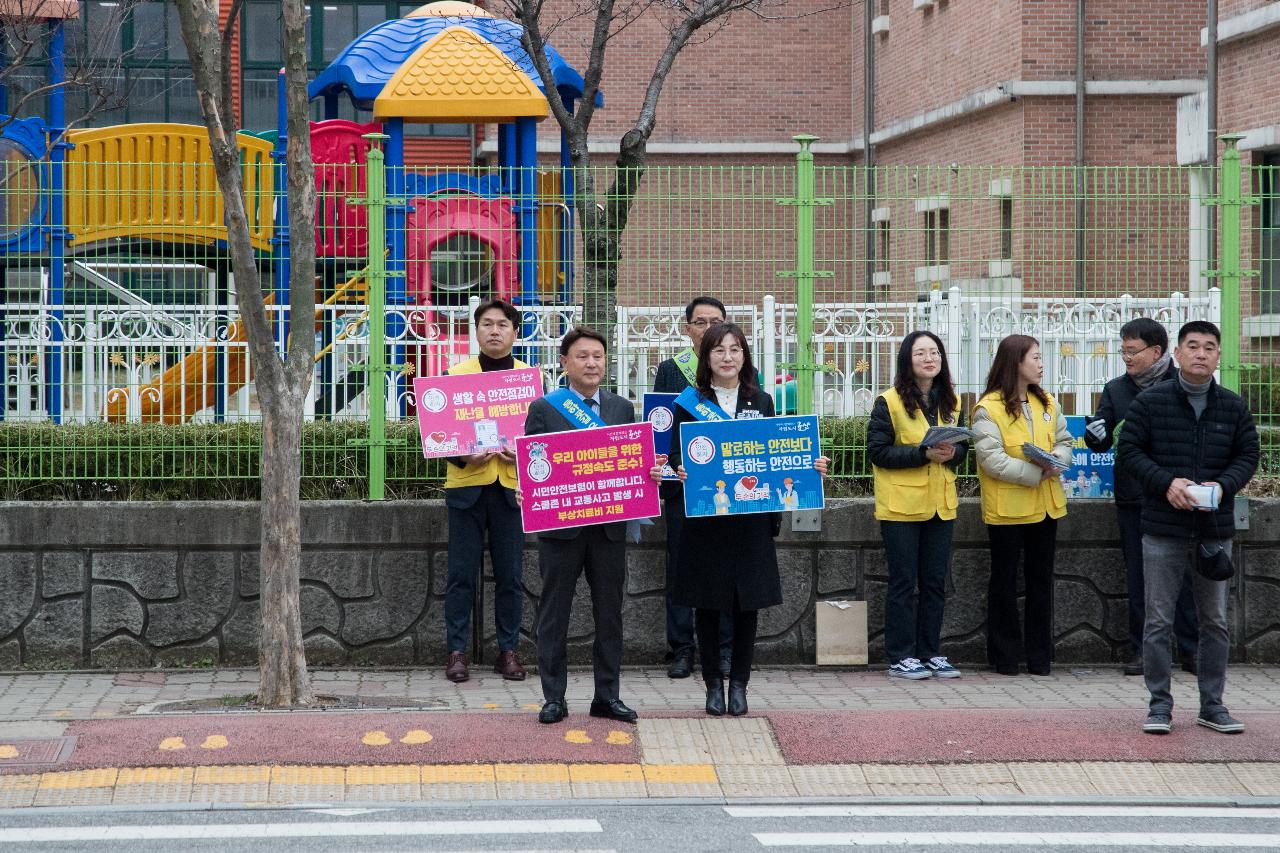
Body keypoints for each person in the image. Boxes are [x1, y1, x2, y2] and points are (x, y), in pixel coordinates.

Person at [669, 323, 829, 716]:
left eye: (735, 349)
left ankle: (739, 684)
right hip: (706, 521)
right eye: (719, 350)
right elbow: (675, 456)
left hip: (751, 520)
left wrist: (810, 467)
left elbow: (779, 454)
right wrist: (679, 469)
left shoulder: (763, 401)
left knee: (746, 606)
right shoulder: (687, 403)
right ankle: (711, 687)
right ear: (706, 358)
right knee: (706, 606)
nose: (728, 357)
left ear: (745, 356)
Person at [1117, 320, 1258, 735]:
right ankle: (1159, 705)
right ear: (1175, 354)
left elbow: (1248, 454)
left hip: (1214, 530)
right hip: (1163, 527)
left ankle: (1212, 704)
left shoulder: (1232, 406)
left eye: (1209, 347)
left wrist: (1224, 485)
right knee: (1158, 620)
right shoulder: (1151, 402)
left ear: (1218, 356)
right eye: (1192, 346)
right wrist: (1167, 483)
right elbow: (1130, 451)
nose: (1200, 353)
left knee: (1214, 620)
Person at [522, 326, 663, 725]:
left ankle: (607, 695)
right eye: (582, 356)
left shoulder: (621, 408)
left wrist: (648, 473)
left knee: (610, 613)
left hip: (609, 529)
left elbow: (633, 463)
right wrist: (528, 490)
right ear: (565, 362)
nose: (591, 363)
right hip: (560, 531)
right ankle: (553, 697)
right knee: (554, 612)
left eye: (598, 356)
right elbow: (533, 465)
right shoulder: (545, 408)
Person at [1083, 318, 1198, 677]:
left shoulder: (1183, 385)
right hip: (1134, 497)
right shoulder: (1116, 390)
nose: (1126, 358)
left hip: (1178, 495)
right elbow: (1101, 440)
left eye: (1132, 351)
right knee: (1139, 576)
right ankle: (1143, 651)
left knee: (1182, 575)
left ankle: (1192, 650)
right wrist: (1094, 434)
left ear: (1157, 352)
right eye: (1123, 351)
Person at [868, 331, 968, 680]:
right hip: (901, 507)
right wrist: (922, 453)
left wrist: (955, 453)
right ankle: (899, 656)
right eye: (921, 353)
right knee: (903, 583)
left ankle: (930, 652)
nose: (930, 359)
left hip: (941, 505)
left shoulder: (951, 403)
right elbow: (878, 453)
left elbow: (962, 450)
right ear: (907, 361)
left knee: (934, 583)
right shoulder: (889, 402)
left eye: (935, 353)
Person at [442, 299, 530, 684]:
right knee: (461, 575)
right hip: (467, 487)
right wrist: (465, 455)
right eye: (487, 324)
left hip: (513, 490)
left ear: (515, 331)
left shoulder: (531, 378)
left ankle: (508, 650)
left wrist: (522, 453)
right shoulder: (454, 373)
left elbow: (543, 438)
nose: (495, 331)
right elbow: (437, 435)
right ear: (475, 332)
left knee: (511, 576)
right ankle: (456, 651)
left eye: (503, 325)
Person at [973, 334, 1072, 676]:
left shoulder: (1047, 402)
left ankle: (1040, 657)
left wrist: (1056, 460)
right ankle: (1005, 657)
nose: (1041, 364)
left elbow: (1064, 440)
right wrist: (1035, 473)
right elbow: (991, 460)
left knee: (1040, 582)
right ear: (1015, 362)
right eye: (1035, 357)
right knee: (1004, 582)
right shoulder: (989, 408)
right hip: (1008, 509)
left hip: (1046, 507)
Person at [654, 296, 733, 679]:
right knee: (681, 570)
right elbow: (660, 429)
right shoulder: (671, 371)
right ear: (687, 329)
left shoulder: (741, 372)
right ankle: (681, 647)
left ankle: (722, 648)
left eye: (715, 321)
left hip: (731, 490)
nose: (706, 328)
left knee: (725, 569)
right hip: (682, 487)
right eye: (700, 322)